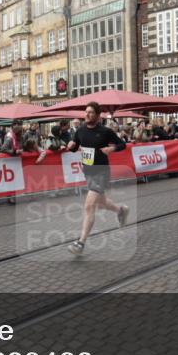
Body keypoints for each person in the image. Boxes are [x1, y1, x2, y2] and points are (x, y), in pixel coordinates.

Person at [65, 102, 129, 255]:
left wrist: (111, 148)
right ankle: (121, 210)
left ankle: (80, 243)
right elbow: (74, 147)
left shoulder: (105, 131)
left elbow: (122, 144)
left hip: (101, 171)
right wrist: (71, 145)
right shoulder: (80, 130)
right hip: (88, 171)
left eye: (91, 112)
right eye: (86, 112)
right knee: (101, 203)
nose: (87, 114)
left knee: (89, 206)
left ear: (98, 115)